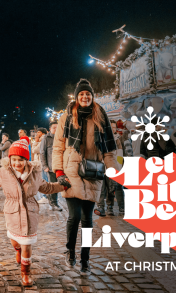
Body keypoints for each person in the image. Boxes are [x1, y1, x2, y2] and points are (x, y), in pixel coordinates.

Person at [0, 139, 67, 286]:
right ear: (10, 159)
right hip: (12, 212)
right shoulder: (4, 173)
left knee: (26, 244)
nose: (17, 163)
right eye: (14, 159)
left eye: (20, 160)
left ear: (26, 160)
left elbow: (47, 188)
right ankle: (17, 250)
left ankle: (26, 273)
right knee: (15, 240)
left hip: (30, 213)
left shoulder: (34, 174)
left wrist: (62, 186)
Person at [52, 79, 117, 273]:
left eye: (88, 94)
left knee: (88, 220)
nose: (85, 97)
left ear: (92, 96)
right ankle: (70, 251)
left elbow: (109, 150)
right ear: (77, 96)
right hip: (71, 170)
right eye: (81, 94)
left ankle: (85, 258)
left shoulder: (100, 115)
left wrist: (112, 171)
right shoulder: (66, 118)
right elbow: (58, 147)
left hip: (93, 170)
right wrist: (59, 172)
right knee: (74, 216)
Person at [94, 120, 123, 216]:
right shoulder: (99, 138)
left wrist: (117, 167)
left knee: (111, 188)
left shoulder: (117, 139)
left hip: (112, 167)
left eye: (114, 127)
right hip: (100, 166)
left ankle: (110, 207)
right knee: (101, 188)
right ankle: (100, 207)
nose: (113, 129)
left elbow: (119, 155)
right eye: (111, 127)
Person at [40, 121, 63, 211]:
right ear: (50, 128)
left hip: (61, 166)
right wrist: (45, 165)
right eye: (54, 128)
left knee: (63, 184)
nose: (56, 129)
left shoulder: (61, 137)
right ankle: (53, 203)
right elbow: (42, 152)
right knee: (53, 186)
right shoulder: (46, 138)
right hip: (51, 167)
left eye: (58, 127)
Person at [32, 128, 48, 204]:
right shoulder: (42, 139)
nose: (37, 134)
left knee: (44, 179)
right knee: (43, 179)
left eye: (38, 132)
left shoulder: (43, 139)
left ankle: (45, 197)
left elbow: (34, 150)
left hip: (42, 163)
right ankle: (45, 196)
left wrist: (35, 141)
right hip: (41, 162)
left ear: (42, 133)